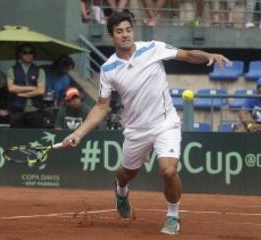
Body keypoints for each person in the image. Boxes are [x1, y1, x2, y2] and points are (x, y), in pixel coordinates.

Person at [61, 11, 230, 235]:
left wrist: (208, 55)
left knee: (168, 171)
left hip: (165, 122)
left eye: (128, 30)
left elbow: (188, 55)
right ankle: (121, 191)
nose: (125, 35)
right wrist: (79, 134)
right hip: (136, 129)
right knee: (126, 174)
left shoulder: (152, 48)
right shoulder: (108, 69)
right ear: (112, 36)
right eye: (119, 31)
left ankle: (172, 216)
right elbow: (102, 106)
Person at [6, 43, 46, 128]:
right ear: (20, 54)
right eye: (25, 52)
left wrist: (22, 94)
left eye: (30, 52)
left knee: (35, 138)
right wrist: (32, 88)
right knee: (16, 138)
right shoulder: (12, 69)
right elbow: (11, 88)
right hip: (17, 111)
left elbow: (41, 90)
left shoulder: (39, 70)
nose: (28, 55)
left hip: (35, 111)